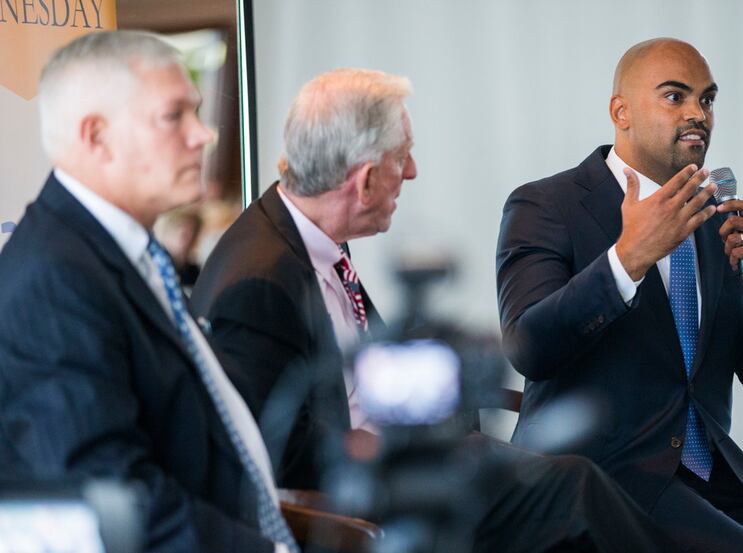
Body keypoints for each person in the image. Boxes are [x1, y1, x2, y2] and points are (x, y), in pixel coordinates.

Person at [190, 68, 677, 552]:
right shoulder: (259, 278)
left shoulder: (313, 242)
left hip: (408, 467)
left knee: (573, 480)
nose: (412, 171)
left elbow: (363, 382)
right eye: (402, 157)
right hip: (362, 504)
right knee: (573, 491)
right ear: (363, 182)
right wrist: (399, 454)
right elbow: (275, 456)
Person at [496, 38, 743, 552]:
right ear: (621, 111)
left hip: (714, 478)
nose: (697, 114)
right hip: (605, 482)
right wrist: (627, 259)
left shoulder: (715, 219)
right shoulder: (547, 204)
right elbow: (529, 347)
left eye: (707, 100)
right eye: (674, 96)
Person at [0, 31, 297, 553]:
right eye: (174, 116)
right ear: (96, 136)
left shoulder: (123, 254)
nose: (203, 135)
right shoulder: (54, 280)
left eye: (197, 113)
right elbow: (113, 499)